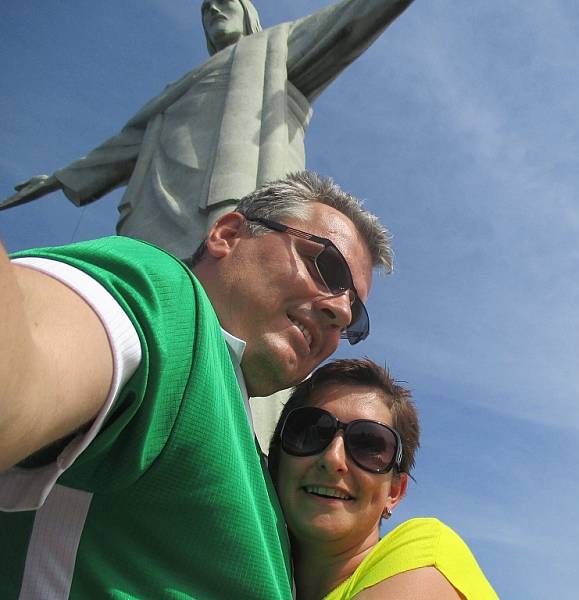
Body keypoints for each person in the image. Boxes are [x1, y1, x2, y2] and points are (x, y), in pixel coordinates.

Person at [0, 171, 392, 598]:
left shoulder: (264, 471)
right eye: (326, 266)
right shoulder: (170, 310)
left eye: (355, 313)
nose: (340, 310)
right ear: (227, 234)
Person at [1, 0, 414, 258]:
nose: (214, 12)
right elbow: (128, 142)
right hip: (158, 202)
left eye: (224, 4)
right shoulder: (184, 84)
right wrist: (58, 179)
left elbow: (350, 21)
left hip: (228, 196)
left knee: (224, 286)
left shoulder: (273, 51)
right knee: (143, 291)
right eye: (207, 10)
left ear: (248, 15)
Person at [268, 358, 499, 600]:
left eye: (368, 445)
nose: (334, 458)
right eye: (311, 432)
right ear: (277, 459)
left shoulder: (423, 553)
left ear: (394, 492)